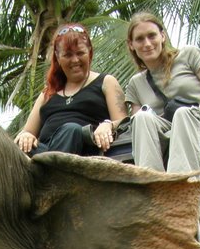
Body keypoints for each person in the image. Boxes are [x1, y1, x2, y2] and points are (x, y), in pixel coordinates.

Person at [124, 11, 200, 176]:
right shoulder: (136, 83)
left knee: (182, 114)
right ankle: (152, 187)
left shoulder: (188, 55)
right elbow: (137, 128)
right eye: (139, 39)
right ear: (131, 44)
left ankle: (183, 187)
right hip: (164, 134)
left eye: (152, 36)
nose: (147, 43)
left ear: (162, 36)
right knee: (141, 118)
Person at [15, 23, 127, 157]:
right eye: (67, 55)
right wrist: (26, 136)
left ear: (89, 52)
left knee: (72, 130)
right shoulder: (48, 93)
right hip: (43, 154)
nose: (75, 60)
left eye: (80, 53)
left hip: (83, 153)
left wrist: (108, 125)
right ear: (58, 57)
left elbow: (124, 122)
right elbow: (26, 132)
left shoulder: (106, 82)